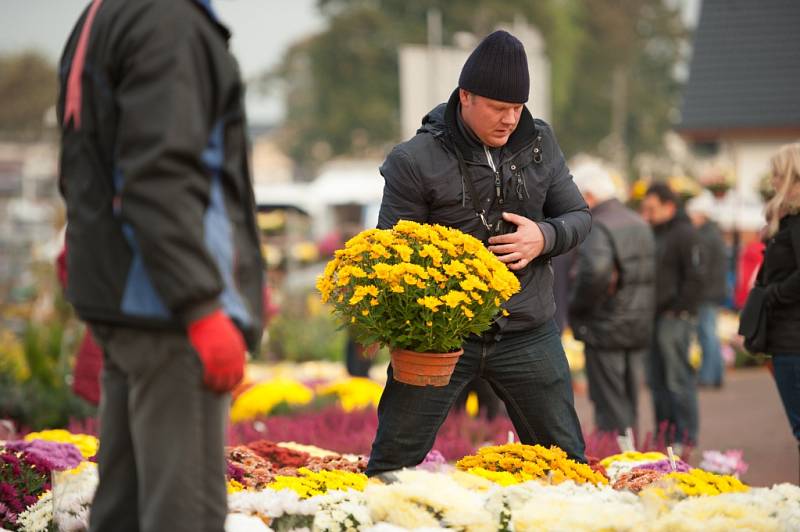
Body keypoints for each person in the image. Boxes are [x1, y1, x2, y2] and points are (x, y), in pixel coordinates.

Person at [58, 0, 264, 530]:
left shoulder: (109, 12)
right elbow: (159, 177)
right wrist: (200, 306)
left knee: (123, 510)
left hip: (130, 303)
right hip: (168, 315)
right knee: (183, 515)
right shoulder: (169, 21)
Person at [368, 30, 591, 476]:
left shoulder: (542, 143)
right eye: (497, 107)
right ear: (465, 95)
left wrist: (543, 237)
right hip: (439, 336)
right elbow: (390, 247)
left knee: (567, 466)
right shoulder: (414, 159)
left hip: (527, 328)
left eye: (517, 107)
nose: (510, 119)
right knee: (393, 465)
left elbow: (579, 217)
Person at [568, 161, 655, 435]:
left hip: (605, 325)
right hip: (637, 323)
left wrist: (576, 308)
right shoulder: (638, 221)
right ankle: (631, 459)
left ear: (589, 195)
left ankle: (617, 462)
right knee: (629, 402)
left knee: (610, 406)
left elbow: (594, 273)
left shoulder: (599, 224)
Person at [640, 183, 704, 449]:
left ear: (669, 206)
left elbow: (695, 277)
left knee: (677, 380)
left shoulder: (684, 233)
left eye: (652, 209)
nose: (647, 214)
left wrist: (679, 308)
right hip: (655, 316)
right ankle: (664, 435)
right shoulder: (655, 232)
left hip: (675, 317)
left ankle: (684, 437)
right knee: (657, 381)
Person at [760, 142, 800, 482]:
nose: (772, 180)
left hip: (793, 337)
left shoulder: (796, 219)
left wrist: (771, 295)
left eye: (777, 173)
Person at [686, 193, 728, 388]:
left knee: (706, 334)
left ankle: (708, 376)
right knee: (710, 333)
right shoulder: (714, 234)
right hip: (714, 291)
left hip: (706, 293)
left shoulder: (703, 236)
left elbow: (700, 268)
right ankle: (716, 374)